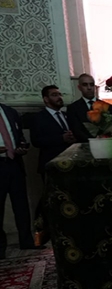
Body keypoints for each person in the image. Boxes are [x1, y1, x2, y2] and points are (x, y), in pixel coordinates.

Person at [0, 81, 42, 259]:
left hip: (15, 163)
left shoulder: (10, 111)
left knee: (21, 205)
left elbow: (19, 136)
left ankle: (26, 240)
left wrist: (22, 146)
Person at [31, 85, 78, 178]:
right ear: (46, 99)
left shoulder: (67, 115)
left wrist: (73, 137)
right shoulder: (38, 118)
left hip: (70, 162)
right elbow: (36, 141)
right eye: (54, 95)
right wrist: (61, 138)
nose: (59, 97)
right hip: (51, 163)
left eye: (60, 94)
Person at [66, 73, 112, 140]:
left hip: (107, 142)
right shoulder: (73, 108)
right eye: (85, 85)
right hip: (84, 144)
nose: (89, 88)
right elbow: (76, 130)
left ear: (95, 86)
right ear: (79, 87)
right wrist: (92, 141)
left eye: (91, 84)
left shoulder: (107, 106)